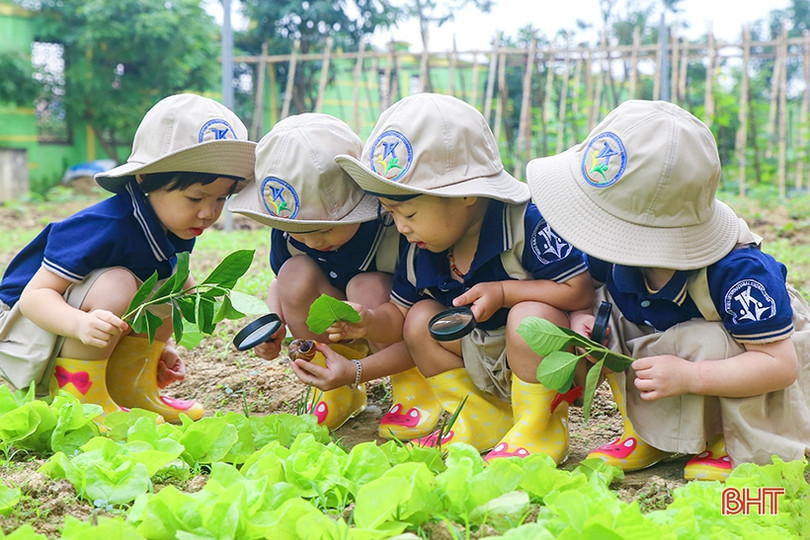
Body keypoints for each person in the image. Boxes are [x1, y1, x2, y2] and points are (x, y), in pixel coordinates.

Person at [526, 99, 810, 481]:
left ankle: (727, 439)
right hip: (669, 350)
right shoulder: (613, 253)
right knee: (610, 321)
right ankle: (651, 434)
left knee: (704, 340)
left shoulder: (739, 275)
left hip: (754, 361)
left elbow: (779, 365)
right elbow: (590, 293)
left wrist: (692, 377)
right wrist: (583, 318)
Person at [332, 93, 594, 461]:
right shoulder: (420, 244)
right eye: (392, 213)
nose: (401, 228)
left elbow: (579, 289)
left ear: (465, 195)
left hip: (546, 359)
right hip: (477, 355)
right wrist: (368, 322)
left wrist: (505, 292)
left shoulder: (526, 224)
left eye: (409, 213)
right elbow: (402, 318)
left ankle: (540, 427)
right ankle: (477, 416)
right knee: (421, 318)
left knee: (529, 319)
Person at [0, 93, 256, 427]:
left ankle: (130, 387)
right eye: (196, 197)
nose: (209, 213)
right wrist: (79, 325)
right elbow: (34, 299)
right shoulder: (105, 226)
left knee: (176, 286)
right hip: (24, 333)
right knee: (117, 283)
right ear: (145, 179)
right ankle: (81, 397)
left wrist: (152, 352)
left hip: (72, 329)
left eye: (221, 198)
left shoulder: (177, 226)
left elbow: (166, 297)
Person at [229, 112, 442, 438]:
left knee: (366, 284)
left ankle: (412, 384)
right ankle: (334, 384)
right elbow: (279, 281)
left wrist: (369, 320)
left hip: (390, 323)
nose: (313, 241)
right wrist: (275, 318)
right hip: (334, 330)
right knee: (294, 274)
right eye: (300, 232)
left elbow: (410, 303)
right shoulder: (290, 233)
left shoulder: (391, 228)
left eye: (326, 229)